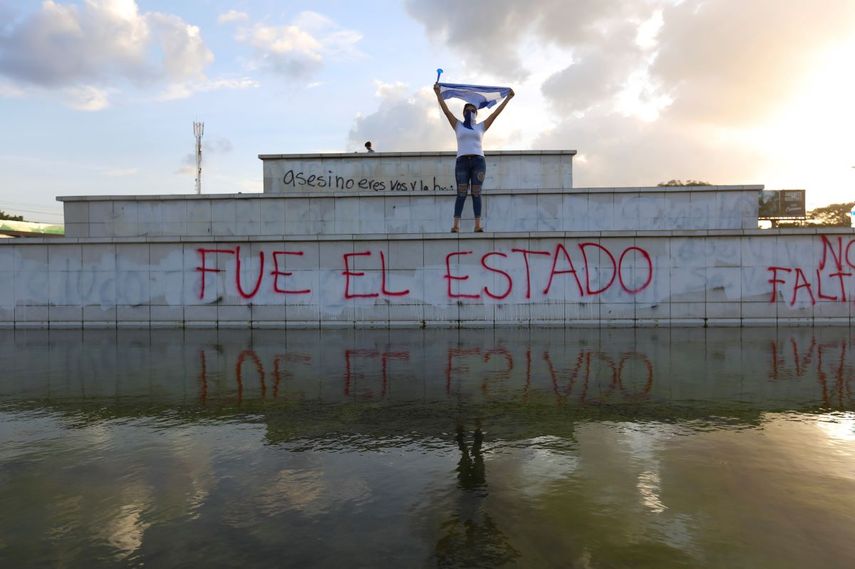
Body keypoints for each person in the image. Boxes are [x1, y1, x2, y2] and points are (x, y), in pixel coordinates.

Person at [433, 84, 514, 232]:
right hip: (462, 161)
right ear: (463, 112)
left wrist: (508, 98)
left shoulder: (481, 126)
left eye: (472, 110)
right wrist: (438, 94)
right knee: (461, 192)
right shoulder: (457, 125)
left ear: (476, 113)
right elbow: (446, 110)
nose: (470, 112)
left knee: (476, 192)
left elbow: (495, 114)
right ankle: (456, 225)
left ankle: (478, 225)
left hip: (478, 161)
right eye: (467, 110)